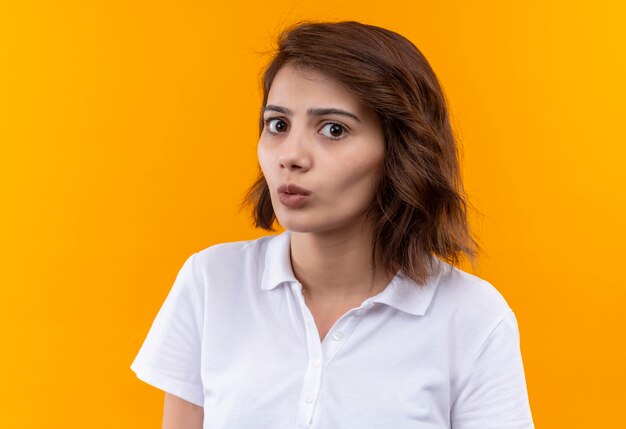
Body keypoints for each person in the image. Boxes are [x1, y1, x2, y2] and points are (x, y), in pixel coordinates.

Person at [130, 20, 535, 429]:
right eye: (278, 125)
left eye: (334, 129)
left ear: (400, 150)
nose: (291, 155)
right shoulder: (210, 283)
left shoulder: (472, 317)